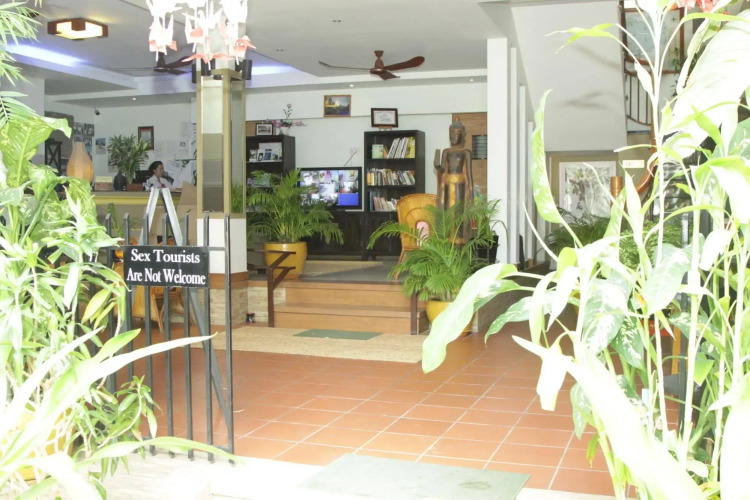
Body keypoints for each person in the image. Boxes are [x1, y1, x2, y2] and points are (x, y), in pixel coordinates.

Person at [434, 119, 474, 242]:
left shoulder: (466, 152)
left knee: (458, 212)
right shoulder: (446, 151)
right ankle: (448, 239)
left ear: (462, 135)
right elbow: (443, 169)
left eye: (456, 134)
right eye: (451, 134)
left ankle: (459, 240)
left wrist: (471, 191)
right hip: (447, 186)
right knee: (447, 212)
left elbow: (469, 174)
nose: (453, 137)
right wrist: (437, 166)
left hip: (460, 186)